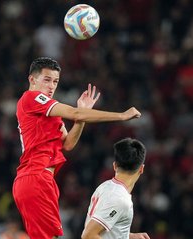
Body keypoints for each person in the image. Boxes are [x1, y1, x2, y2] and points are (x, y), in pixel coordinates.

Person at [12, 57, 141, 239]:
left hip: (39, 179)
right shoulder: (32, 98)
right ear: (32, 80)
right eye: (46, 80)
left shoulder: (48, 112)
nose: (51, 86)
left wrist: (81, 119)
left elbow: (68, 143)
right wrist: (121, 115)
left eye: (55, 81)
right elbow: (74, 112)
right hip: (35, 176)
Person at [82, 138, 150, 239]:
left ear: (114, 165)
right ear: (141, 169)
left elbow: (104, 233)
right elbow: (88, 235)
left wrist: (129, 236)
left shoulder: (105, 186)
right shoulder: (119, 199)